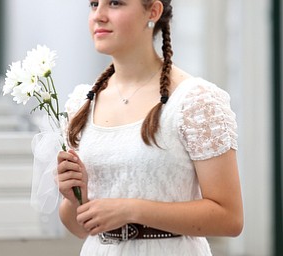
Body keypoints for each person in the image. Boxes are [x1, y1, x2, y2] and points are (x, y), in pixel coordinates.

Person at [57, 0, 244, 255]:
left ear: (153, 12)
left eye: (114, 3)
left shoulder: (196, 101)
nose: (98, 16)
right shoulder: (81, 104)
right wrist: (75, 197)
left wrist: (131, 210)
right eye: (93, 4)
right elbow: (79, 229)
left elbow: (229, 218)